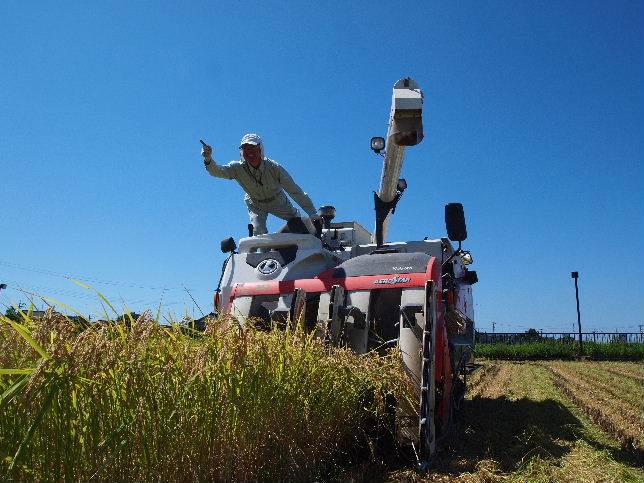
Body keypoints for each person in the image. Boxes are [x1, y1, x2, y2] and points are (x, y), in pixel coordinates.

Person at [202, 133, 318, 236]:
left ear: (260, 150)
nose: (249, 153)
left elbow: (294, 190)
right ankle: (265, 258)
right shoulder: (236, 168)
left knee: (298, 224)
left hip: (278, 201)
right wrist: (208, 158)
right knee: (258, 232)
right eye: (246, 149)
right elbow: (216, 171)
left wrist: (312, 213)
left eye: (253, 148)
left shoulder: (274, 167)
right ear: (242, 152)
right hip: (255, 204)